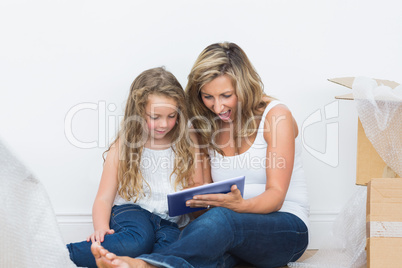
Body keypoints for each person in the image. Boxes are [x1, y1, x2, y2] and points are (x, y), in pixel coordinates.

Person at [91, 42, 310, 268]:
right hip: (231, 231)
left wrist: (238, 206)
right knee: (206, 256)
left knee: (221, 221)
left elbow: (276, 196)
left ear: (244, 87)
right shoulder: (206, 125)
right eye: (208, 96)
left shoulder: (276, 117)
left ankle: (145, 265)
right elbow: (204, 209)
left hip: (286, 227)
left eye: (226, 95)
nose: (217, 107)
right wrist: (197, 202)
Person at [66, 67, 204, 268]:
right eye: (155, 117)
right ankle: (60, 254)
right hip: (132, 212)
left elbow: (196, 188)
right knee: (138, 241)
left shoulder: (188, 141)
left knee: (170, 255)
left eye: (171, 116)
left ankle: (122, 264)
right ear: (139, 112)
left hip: (169, 222)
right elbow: (104, 197)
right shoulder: (126, 144)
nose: (164, 124)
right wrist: (101, 229)